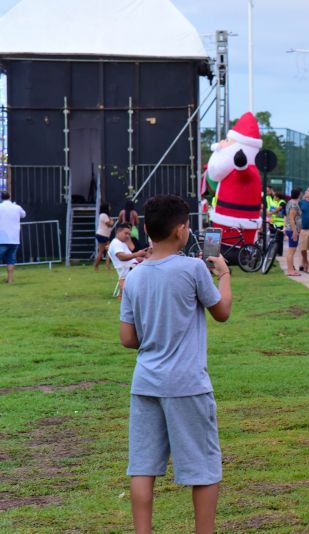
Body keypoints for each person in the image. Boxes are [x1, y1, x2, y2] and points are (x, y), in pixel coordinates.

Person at [120, 195, 231, 534]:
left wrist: (155, 334)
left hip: (146, 383)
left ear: (147, 231)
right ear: (182, 230)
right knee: (203, 467)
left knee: (142, 467)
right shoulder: (195, 268)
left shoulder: (135, 276)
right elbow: (221, 312)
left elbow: (128, 338)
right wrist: (224, 274)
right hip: (187, 385)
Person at [109, 224, 148, 298]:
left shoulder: (121, 243)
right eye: (126, 233)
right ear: (118, 232)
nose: (127, 236)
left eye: (129, 234)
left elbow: (126, 256)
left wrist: (137, 258)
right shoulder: (116, 243)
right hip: (128, 268)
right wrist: (137, 254)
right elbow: (121, 257)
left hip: (131, 266)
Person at [0, 191, 26, 283]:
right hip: (14, 238)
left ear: (1, 197)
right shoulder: (17, 207)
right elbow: (24, 215)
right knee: (11, 259)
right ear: (10, 197)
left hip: (2, 238)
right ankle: (10, 279)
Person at [285, 187, 302, 276]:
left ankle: (291, 269)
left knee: (291, 250)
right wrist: (295, 231)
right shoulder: (294, 205)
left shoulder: (290, 203)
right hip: (292, 230)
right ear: (299, 194)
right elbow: (291, 218)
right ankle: (290, 270)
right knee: (292, 250)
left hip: (291, 229)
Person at [265, 186, 286, 257]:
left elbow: (279, 209)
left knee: (279, 238)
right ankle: (274, 252)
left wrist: (270, 213)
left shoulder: (282, 202)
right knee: (273, 238)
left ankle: (279, 252)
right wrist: (269, 214)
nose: (274, 197)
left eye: (275, 197)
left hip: (280, 223)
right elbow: (269, 208)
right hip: (273, 222)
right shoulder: (270, 199)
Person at [94, 203, 115, 270]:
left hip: (104, 235)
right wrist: (112, 221)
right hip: (103, 235)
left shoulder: (103, 215)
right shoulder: (104, 215)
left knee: (108, 250)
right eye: (109, 207)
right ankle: (97, 266)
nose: (110, 208)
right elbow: (109, 224)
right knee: (102, 251)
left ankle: (106, 266)